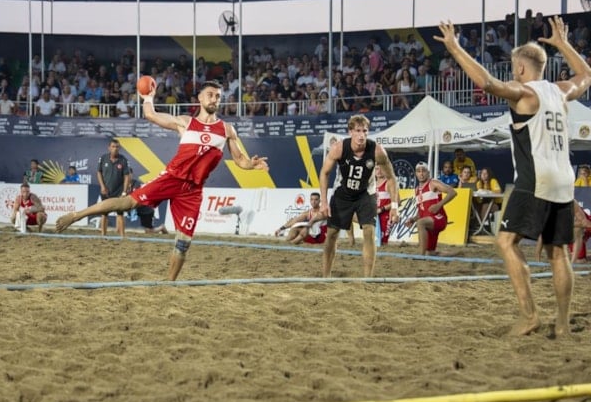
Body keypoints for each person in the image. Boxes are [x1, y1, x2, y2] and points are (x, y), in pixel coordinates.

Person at [435, 15, 591, 336]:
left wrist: (455, 49)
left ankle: (529, 315)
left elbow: (487, 83)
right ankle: (562, 324)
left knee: (506, 242)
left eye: (513, 66)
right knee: (558, 252)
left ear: (520, 68)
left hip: (536, 178)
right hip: (564, 180)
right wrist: (564, 44)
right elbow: (586, 75)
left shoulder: (525, 92)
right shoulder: (561, 91)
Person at [55, 80, 269, 280]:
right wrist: (148, 97)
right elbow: (151, 115)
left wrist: (252, 164)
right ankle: (76, 215)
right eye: (210, 95)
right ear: (200, 98)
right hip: (171, 178)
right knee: (126, 203)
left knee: (183, 243)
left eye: (218, 96)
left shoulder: (226, 130)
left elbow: (240, 160)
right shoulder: (185, 123)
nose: (214, 99)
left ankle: (169, 284)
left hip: (193, 190)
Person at [319, 114, 400, 278]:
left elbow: (391, 178)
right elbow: (324, 173)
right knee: (332, 233)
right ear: (350, 132)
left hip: (366, 193)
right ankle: (326, 276)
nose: (362, 135)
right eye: (358, 131)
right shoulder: (339, 148)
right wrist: (324, 201)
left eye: (365, 131)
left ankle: (368, 279)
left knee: (369, 231)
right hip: (342, 193)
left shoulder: (377, 151)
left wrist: (394, 206)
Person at [404, 162, 457, 256]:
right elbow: (421, 212)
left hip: (439, 218)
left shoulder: (433, 183)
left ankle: (421, 255)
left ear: (428, 172)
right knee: (430, 253)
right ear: (416, 173)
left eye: (423, 171)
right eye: (418, 171)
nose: (421, 173)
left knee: (420, 223)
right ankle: (454, 255)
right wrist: (412, 219)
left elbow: (452, 192)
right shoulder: (417, 190)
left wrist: (439, 205)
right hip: (428, 224)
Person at [96, 139, 131, 238]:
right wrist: (102, 186)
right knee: (104, 213)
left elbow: (127, 176)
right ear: (109, 148)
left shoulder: (123, 160)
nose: (115, 149)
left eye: (117, 147)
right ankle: (103, 235)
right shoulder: (103, 158)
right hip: (106, 191)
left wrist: (124, 191)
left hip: (118, 191)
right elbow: (99, 172)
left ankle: (122, 236)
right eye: (113, 147)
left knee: (120, 214)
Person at [375, 166, 393, 245]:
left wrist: (381, 209)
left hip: (386, 215)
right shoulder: (372, 184)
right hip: (374, 216)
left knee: (382, 242)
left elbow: (397, 202)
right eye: (377, 169)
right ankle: (352, 241)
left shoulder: (389, 183)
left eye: (381, 168)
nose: (379, 171)